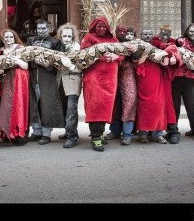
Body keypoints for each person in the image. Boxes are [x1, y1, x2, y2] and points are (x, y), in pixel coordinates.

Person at [80, 16, 121, 152]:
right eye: (99, 26)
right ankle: (96, 137)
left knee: (106, 107)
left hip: (110, 80)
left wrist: (117, 56)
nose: (102, 29)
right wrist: (102, 57)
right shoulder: (89, 38)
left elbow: (123, 52)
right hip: (94, 79)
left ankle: (100, 133)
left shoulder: (113, 39)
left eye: (104, 26)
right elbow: (84, 54)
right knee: (95, 107)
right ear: (94, 27)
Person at [26, 19, 63, 145]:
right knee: (33, 103)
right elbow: (25, 57)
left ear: (49, 29)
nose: (41, 31)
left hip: (47, 76)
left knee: (47, 104)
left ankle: (46, 133)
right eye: (39, 28)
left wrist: (47, 65)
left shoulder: (55, 42)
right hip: (32, 76)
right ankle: (36, 131)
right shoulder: (31, 41)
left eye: (43, 28)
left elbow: (58, 62)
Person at [0, 28, 30, 146]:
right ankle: (5, 133)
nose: (8, 39)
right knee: (5, 105)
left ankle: (18, 133)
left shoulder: (20, 48)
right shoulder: (0, 50)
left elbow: (25, 66)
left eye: (11, 37)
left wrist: (17, 61)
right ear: (2, 39)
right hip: (5, 79)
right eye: (6, 37)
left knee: (18, 104)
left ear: (14, 38)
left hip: (18, 79)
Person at [105, 24, 137, 146]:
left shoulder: (133, 43)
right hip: (113, 74)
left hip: (128, 75)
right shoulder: (111, 42)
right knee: (115, 103)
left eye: (125, 31)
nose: (123, 33)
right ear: (116, 32)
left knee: (129, 101)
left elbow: (137, 56)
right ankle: (115, 131)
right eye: (120, 31)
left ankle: (127, 134)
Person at [150, 25, 181, 145]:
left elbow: (176, 53)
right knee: (153, 102)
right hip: (153, 75)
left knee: (168, 103)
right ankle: (151, 129)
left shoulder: (172, 43)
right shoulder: (153, 42)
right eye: (162, 33)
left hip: (166, 77)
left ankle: (173, 131)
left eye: (167, 33)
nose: (164, 36)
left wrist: (172, 58)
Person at [55, 23, 83, 148]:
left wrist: (70, 65)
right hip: (60, 81)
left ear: (73, 36)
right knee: (64, 108)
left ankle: (72, 136)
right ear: (60, 36)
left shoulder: (77, 48)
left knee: (71, 110)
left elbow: (81, 67)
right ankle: (68, 131)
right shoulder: (57, 47)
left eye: (69, 36)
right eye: (64, 36)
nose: (66, 38)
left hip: (73, 81)